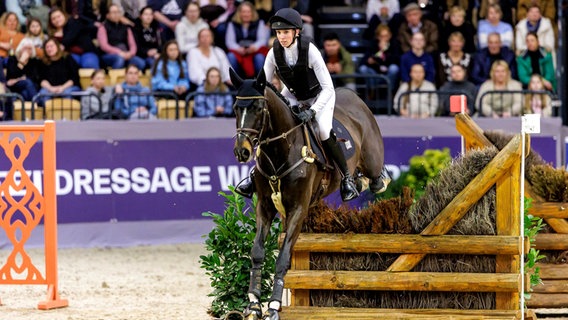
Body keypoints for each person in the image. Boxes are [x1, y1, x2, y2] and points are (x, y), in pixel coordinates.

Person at [236, 8, 360, 205]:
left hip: (320, 96)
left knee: (323, 130)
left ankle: (347, 178)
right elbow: (264, 87)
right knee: (270, 127)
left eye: (286, 32)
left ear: (296, 32)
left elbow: (328, 87)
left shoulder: (311, 51)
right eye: (278, 33)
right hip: (293, 96)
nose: (282, 37)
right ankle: (253, 176)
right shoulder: (273, 53)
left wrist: (312, 111)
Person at [225, 1, 270, 78]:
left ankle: (259, 82)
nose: (246, 14)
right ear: (239, 13)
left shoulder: (259, 23)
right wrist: (238, 49)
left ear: (252, 13)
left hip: (254, 51)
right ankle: (237, 81)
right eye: (243, 12)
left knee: (259, 58)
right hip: (239, 52)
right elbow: (229, 41)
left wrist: (254, 47)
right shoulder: (232, 24)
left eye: (248, 12)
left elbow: (262, 40)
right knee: (230, 56)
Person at [97, 4, 146, 70]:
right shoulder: (103, 27)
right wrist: (119, 52)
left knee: (141, 63)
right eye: (114, 12)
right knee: (119, 60)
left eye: (118, 12)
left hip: (126, 54)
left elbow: (133, 45)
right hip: (109, 55)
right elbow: (104, 46)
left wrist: (130, 53)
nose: (116, 14)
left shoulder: (126, 27)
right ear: (107, 15)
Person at [357, 24, 400, 94]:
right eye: (382, 36)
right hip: (375, 74)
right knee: (363, 68)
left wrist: (385, 51)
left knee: (394, 68)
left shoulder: (394, 44)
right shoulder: (373, 45)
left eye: (386, 36)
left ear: (390, 36)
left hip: (388, 74)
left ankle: (390, 91)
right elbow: (363, 61)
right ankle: (372, 90)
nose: (384, 39)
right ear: (377, 37)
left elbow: (396, 60)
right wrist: (372, 59)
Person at [38, 37, 82, 103]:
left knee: (67, 93)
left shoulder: (67, 58)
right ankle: (48, 113)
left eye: (51, 46)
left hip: (68, 87)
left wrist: (62, 88)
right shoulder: (42, 62)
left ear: (57, 47)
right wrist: (50, 88)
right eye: (47, 47)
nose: (49, 49)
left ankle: (66, 113)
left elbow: (74, 78)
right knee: (43, 93)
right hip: (50, 88)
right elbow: (41, 80)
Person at [133, 6, 162, 70]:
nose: (148, 17)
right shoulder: (135, 29)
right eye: (146, 14)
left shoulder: (157, 28)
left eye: (150, 14)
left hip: (155, 54)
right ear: (140, 16)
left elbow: (162, 43)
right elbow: (136, 46)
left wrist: (157, 51)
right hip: (142, 55)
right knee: (153, 63)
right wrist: (147, 52)